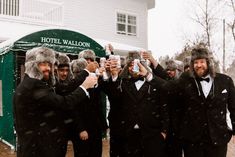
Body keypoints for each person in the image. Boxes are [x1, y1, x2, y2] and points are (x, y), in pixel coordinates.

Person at [13, 47, 97, 157]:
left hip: (35, 148)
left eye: (49, 64)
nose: (48, 68)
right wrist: (85, 86)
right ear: (33, 66)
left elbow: (65, 89)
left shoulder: (32, 83)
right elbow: (65, 103)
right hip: (39, 150)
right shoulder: (34, 85)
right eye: (43, 64)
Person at [153, 46, 235, 157]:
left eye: (202, 61)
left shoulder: (225, 81)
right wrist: (149, 75)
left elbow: (233, 108)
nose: (199, 65)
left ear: (209, 63)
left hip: (218, 140)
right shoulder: (185, 80)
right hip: (192, 142)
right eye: (196, 62)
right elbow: (166, 87)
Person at [108, 51, 169, 157]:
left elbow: (165, 99)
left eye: (135, 64)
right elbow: (114, 99)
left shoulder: (152, 81)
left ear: (141, 64)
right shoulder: (123, 83)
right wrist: (114, 77)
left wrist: (164, 131)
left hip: (151, 135)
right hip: (128, 135)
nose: (132, 68)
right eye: (130, 65)